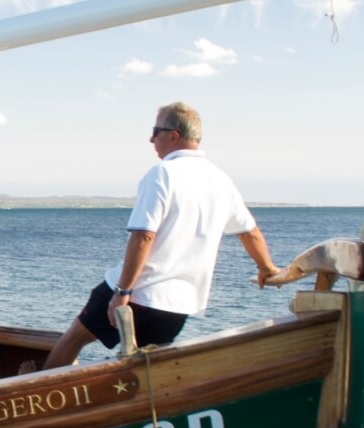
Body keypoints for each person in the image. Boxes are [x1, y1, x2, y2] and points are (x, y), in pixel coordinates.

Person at [41, 102, 281, 370]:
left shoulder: (162, 173)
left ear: (173, 135)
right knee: (143, 368)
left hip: (140, 291)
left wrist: (122, 291)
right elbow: (249, 233)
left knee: (75, 338)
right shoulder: (220, 180)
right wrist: (267, 268)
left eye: (155, 131)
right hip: (178, 304)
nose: (151, 139)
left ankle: (39, 393)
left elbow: (143, 236)